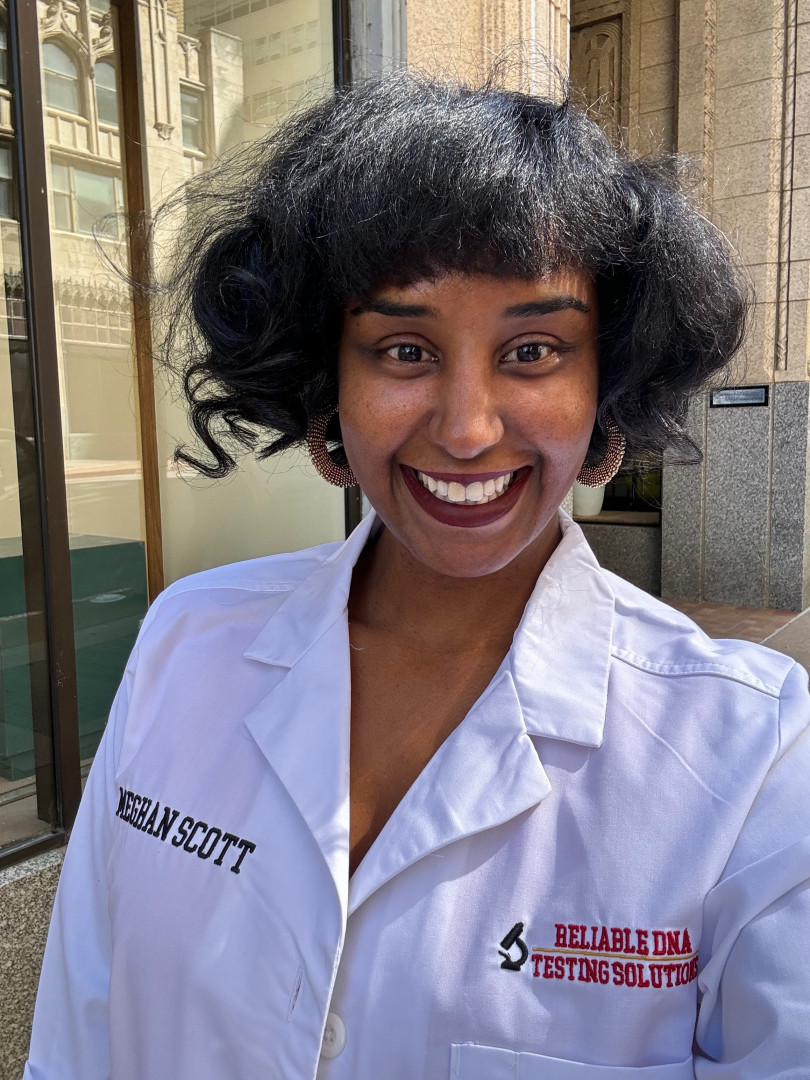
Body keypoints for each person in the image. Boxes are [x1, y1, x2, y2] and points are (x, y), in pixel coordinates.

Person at [24, 70, 810, 1080]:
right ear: (327, 379)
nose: (468, 428)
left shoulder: (753, 757)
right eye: (404, 349)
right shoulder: (189, 642)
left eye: (533, 351)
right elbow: (79, 1035)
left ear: (606, 384)